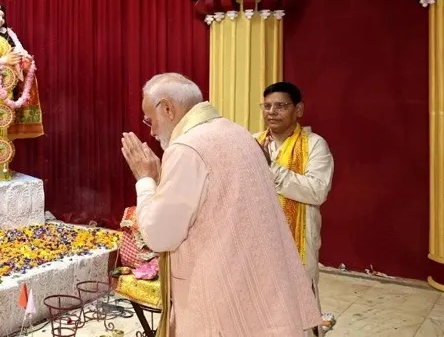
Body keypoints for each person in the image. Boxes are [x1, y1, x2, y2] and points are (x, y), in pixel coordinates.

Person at [120, 73, 320, 336]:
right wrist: (161, 180)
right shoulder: (238, 133)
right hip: (255, 291)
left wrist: (145, 180)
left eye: (150, 120)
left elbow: (160, 236)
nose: (152, 131)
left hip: (219, 305)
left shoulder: (187, 148)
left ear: (167, 108)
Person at [256, 82, 334, 305]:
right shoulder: (254, 142)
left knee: (298, 306)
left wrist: (270, 168)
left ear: (298, 109)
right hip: (258, 240)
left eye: (281, 106)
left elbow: (317, 191)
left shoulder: (314, 145)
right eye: (267, 106)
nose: (272, 112)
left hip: (297, 243)